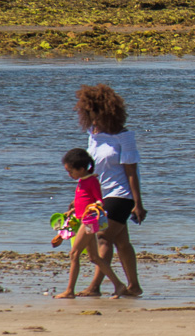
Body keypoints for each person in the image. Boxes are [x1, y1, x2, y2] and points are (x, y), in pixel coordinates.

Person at [75, 84, 144, 298]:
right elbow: (90, 171)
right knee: (122, 242)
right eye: (91, 116)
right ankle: (134, 286)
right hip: (100, 196)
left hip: (121, 195)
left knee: (103, 237)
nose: (94, 121)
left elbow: (131, 171)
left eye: (98, 116)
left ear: (110, 113)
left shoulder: (124, 137)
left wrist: (137, 203)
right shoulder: (93, 135)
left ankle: (95, 286)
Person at [53, 148, 124, 299]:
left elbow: (98, 200)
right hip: (82, 220)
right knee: (94, 257)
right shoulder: (82, 181)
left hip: (89, 222)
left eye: (71, 171)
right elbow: (83, 200)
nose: (69, 175)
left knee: (74, 253)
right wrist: (72, 211)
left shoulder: (92, 181)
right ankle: (119, 285)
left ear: (82, 169)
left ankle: (70, 291)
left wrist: (96, 206)